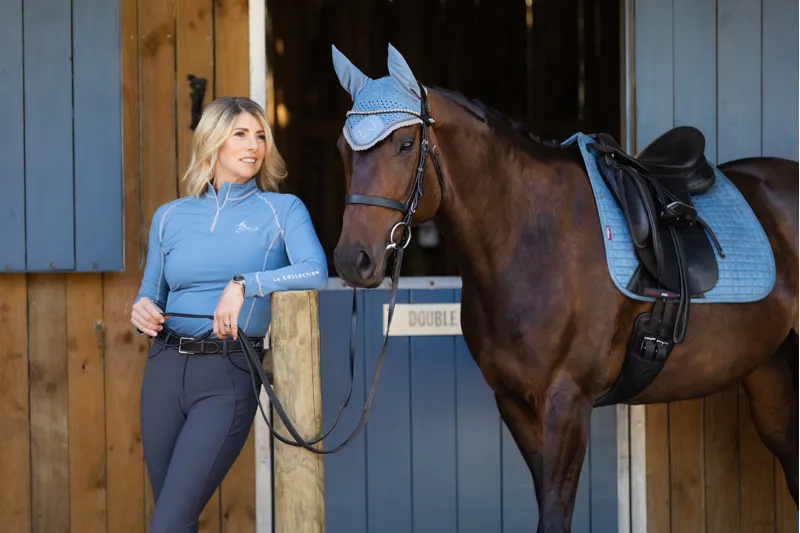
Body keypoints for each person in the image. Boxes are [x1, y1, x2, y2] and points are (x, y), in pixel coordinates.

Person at [130, 96, 327, 533]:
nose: (253, 145)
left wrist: (244, 284)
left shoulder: (282, 210)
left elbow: (315, 271)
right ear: (213, 141)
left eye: (260, 136)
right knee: (173, 519)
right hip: (163, 372)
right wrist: (141, 312)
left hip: (227, 373)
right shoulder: (170, 217)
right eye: (240, 134)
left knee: (168, 524)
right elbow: (151, 295)